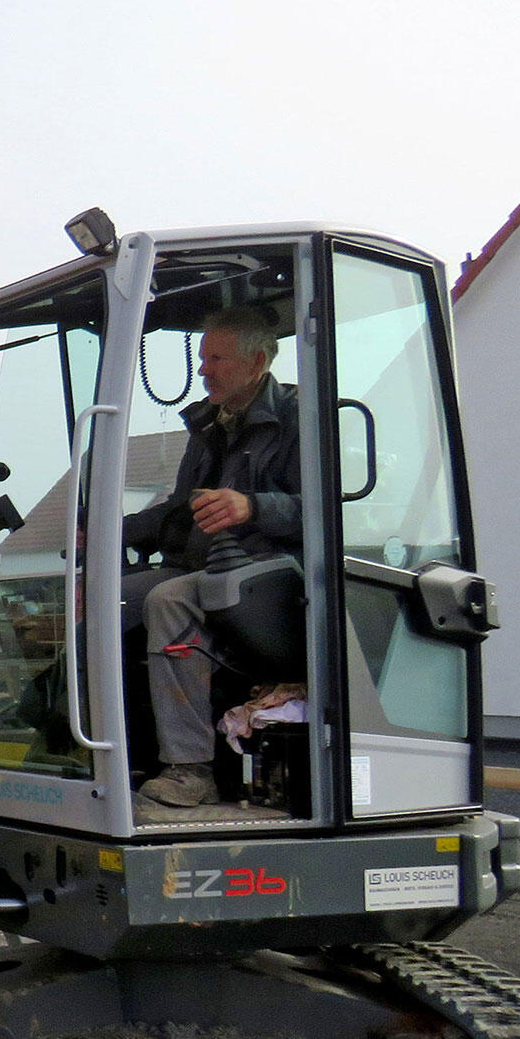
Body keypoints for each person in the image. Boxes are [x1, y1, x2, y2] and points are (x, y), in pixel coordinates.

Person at [120, 306, 301, 810]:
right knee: (101, 597)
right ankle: (101, 744)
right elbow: (180, 511)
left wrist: (253, 506)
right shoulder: (209, 428)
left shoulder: (298, 416)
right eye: (202, 357)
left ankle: (190, 769)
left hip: (270, 576)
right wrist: (111, 534)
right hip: (204, 566)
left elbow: (327, 510)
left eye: (216, 358)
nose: (204, 370)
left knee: (168, 599)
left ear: (257, 361)